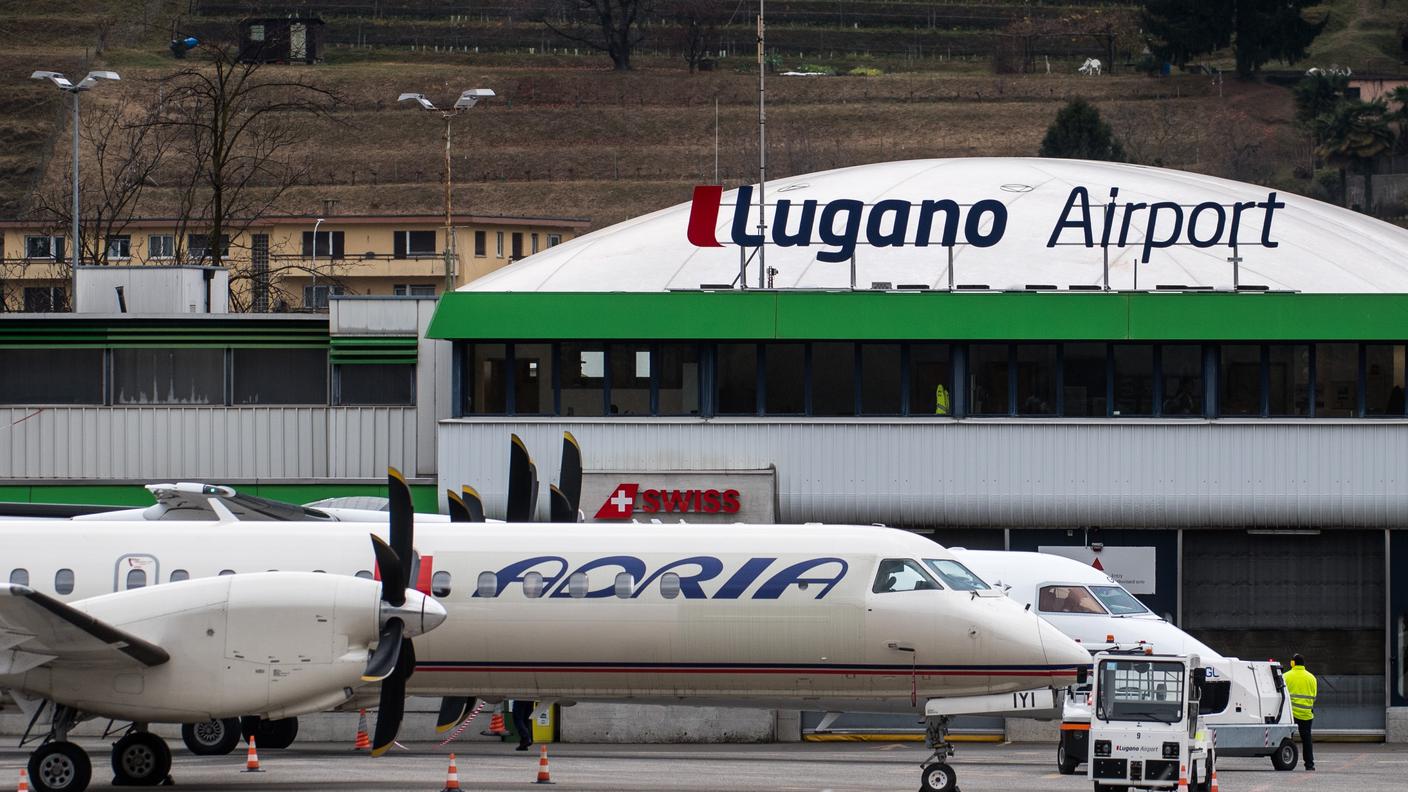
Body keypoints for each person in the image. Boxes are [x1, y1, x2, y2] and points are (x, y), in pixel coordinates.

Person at [1284, 653, 1317, 771]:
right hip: (1307, 714)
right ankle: (1309, 764)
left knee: (1287, 739)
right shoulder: (1312, 677)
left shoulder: (1286, 676)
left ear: (1293, 663)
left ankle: (1286, 760)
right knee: (1307, 739)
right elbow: (1314, 697)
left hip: (1291, 714)